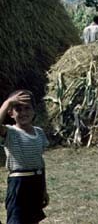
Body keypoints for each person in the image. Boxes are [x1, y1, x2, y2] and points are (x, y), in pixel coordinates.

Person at [0, 90, 49, 224]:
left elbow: (40, 163)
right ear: (11, 113)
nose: (23, 113)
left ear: (34, 111)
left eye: (27, 108)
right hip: (19, 185)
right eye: (18, 109)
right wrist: (8, 102)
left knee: (33, 220)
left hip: (37, 183)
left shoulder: (39, 133)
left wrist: (44, 190)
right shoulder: (10, 132)